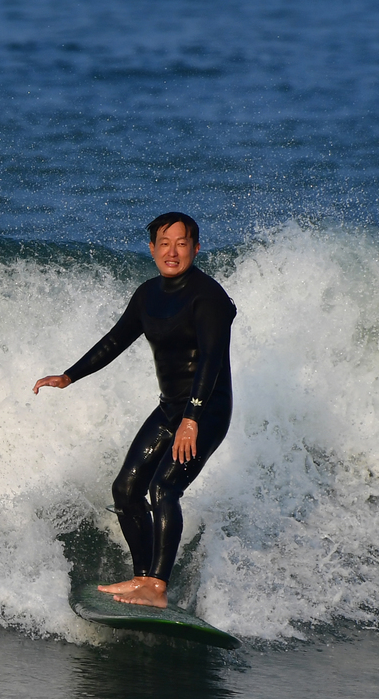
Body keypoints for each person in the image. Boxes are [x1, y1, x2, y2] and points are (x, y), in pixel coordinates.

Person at [33, 213, 236, 607]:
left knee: (164, 489)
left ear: (196, 248)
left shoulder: (208, 297)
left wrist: (192, 419)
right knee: (126, 490)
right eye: (164, 243)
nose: (172, 252)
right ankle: (142, 577)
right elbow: (115, 340)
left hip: (206, 411)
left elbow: (211, 361)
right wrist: (69, 376)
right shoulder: (148, 295)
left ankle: (157, 587)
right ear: (152, 249)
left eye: (181, 243)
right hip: (170, 409)